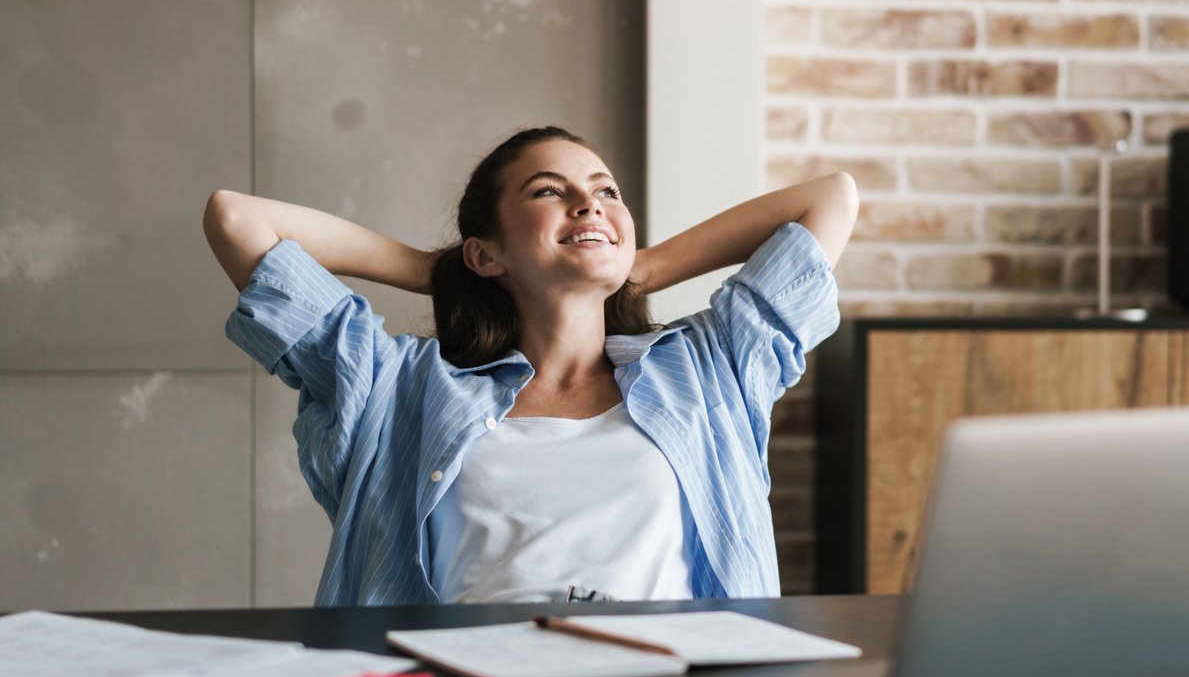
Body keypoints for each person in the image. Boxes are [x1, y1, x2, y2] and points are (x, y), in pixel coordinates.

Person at [204, 126, 857, 607]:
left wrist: (639, 265)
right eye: (550, 191)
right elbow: (238, 219)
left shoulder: (709, 371)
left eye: (606, 192)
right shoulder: (398, 387)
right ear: (487, 253)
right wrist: (447, 271)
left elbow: (830, 199)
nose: (590, 203)